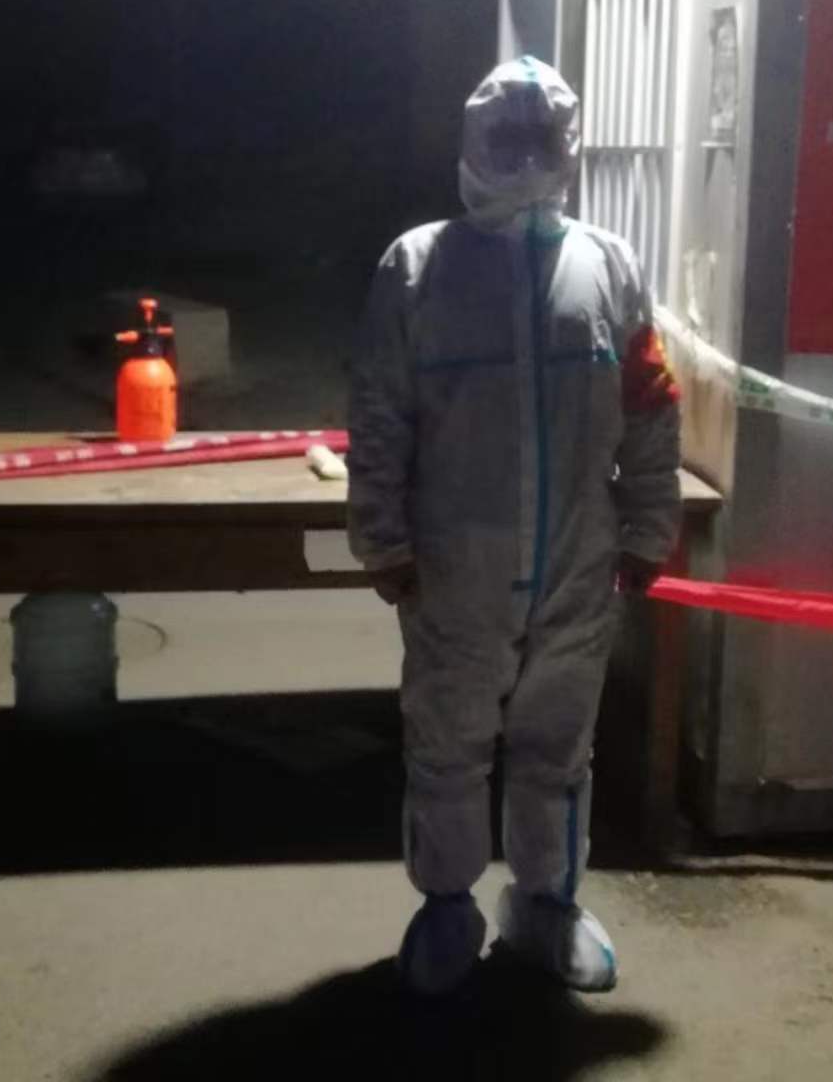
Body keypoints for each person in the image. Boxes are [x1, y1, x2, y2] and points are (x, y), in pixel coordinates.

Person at [347, 56, 681, 997]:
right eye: (508, 138)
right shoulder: (418, 267)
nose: (526, 157)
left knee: (558, 747)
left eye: (543, 139)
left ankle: (546, 904)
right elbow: (378, 414)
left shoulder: (608, 266)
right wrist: (383, 539)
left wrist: (648, 527)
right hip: (455, 567)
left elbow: (650, 409)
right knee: (448, 745)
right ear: (473, 142)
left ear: (568, 145)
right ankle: (447, 905)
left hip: (579, 562)